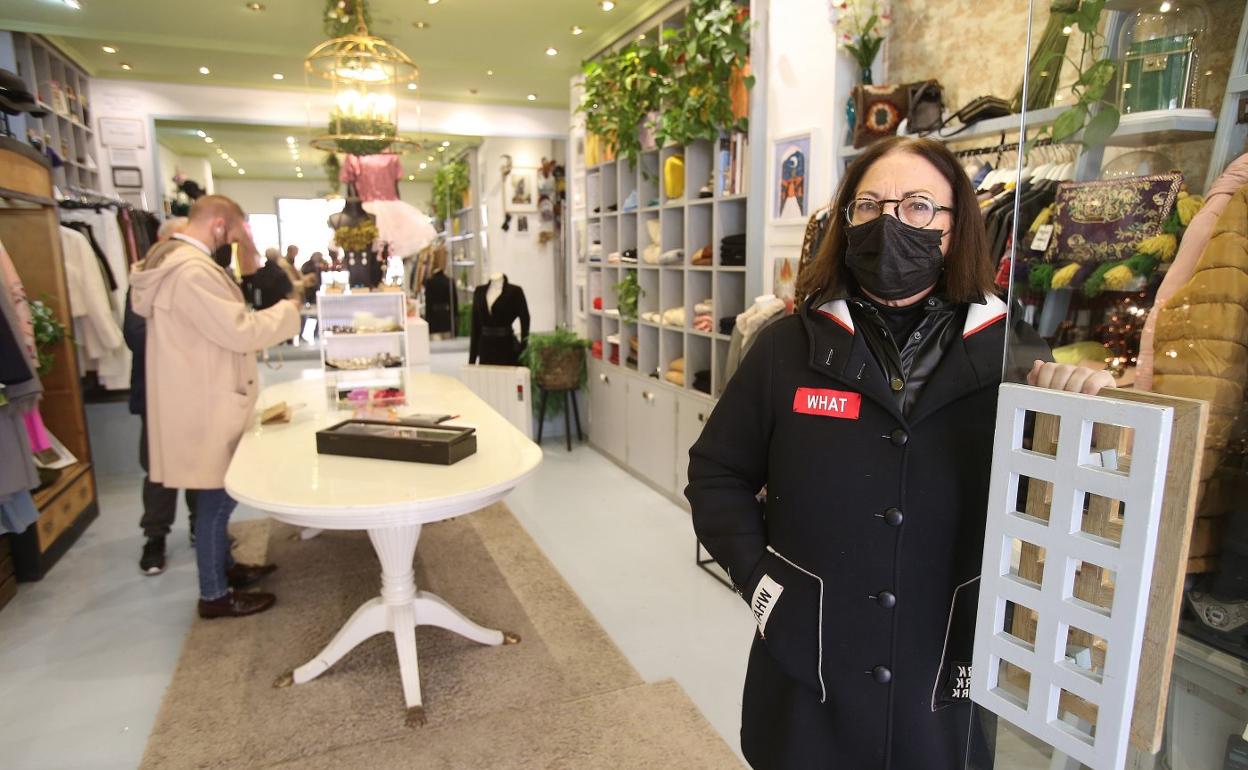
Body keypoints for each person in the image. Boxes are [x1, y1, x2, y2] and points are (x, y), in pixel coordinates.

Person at [685, 136, 1115, 770]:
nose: (891, 223)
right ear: (846, 222)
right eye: (869, 205)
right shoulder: (786, 347)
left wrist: (1085, 412)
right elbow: (716, 474)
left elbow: (1051, 505)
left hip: (943, 658)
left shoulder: (1013, 354)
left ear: (955, 225)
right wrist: (763, 584)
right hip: (811, 656)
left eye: (917, 206)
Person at [130, 195, 301, 619]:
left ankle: (224, 570)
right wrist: (288, 311)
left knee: (213, 495)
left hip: (200, 393)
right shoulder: (190, 273)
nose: (240, 242)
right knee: (216, 499)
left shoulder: (178, 266)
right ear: (221, 225)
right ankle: (214, 594)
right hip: (205, 398)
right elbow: (239, 330)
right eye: (239, 233)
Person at [124, 216, 199, 575]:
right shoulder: (143, 279)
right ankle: (155, 537)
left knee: (202, 461)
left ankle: (203, 528)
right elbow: (136, 335)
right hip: (157, 391)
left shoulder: (195, 278)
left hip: (198, 390)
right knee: (158, 468)